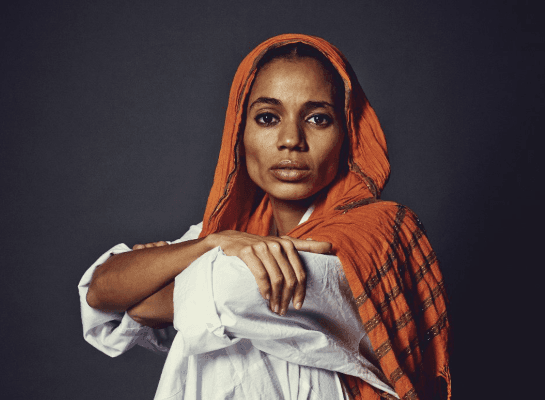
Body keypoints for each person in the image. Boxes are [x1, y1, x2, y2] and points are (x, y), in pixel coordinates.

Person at [79, 34, 451, 400]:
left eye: (318, 119)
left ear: (348, 134)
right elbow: (99, 290)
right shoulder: (228, 235)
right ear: (238, 131)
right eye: (268, 117)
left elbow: (224, 293)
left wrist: (157, 278)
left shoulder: (375, 233)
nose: (291, 140)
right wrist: (209, 244)